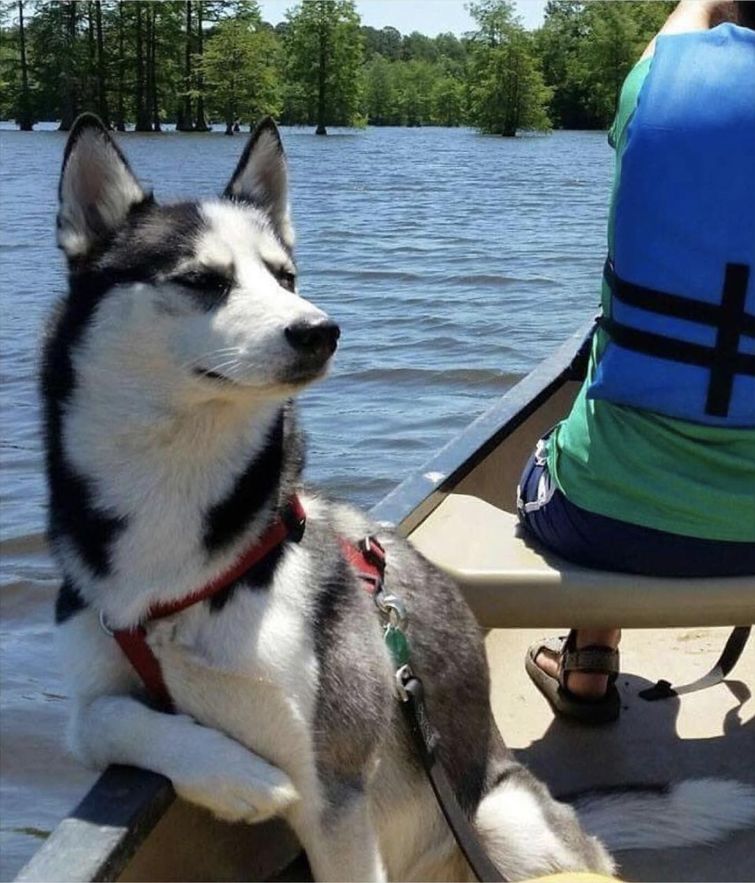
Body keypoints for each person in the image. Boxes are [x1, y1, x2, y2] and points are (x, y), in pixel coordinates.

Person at [519, 0, 755, 725]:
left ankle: (590, 660)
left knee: (569, 432)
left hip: (604, 518)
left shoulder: (656, 88)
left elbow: (686, 25)